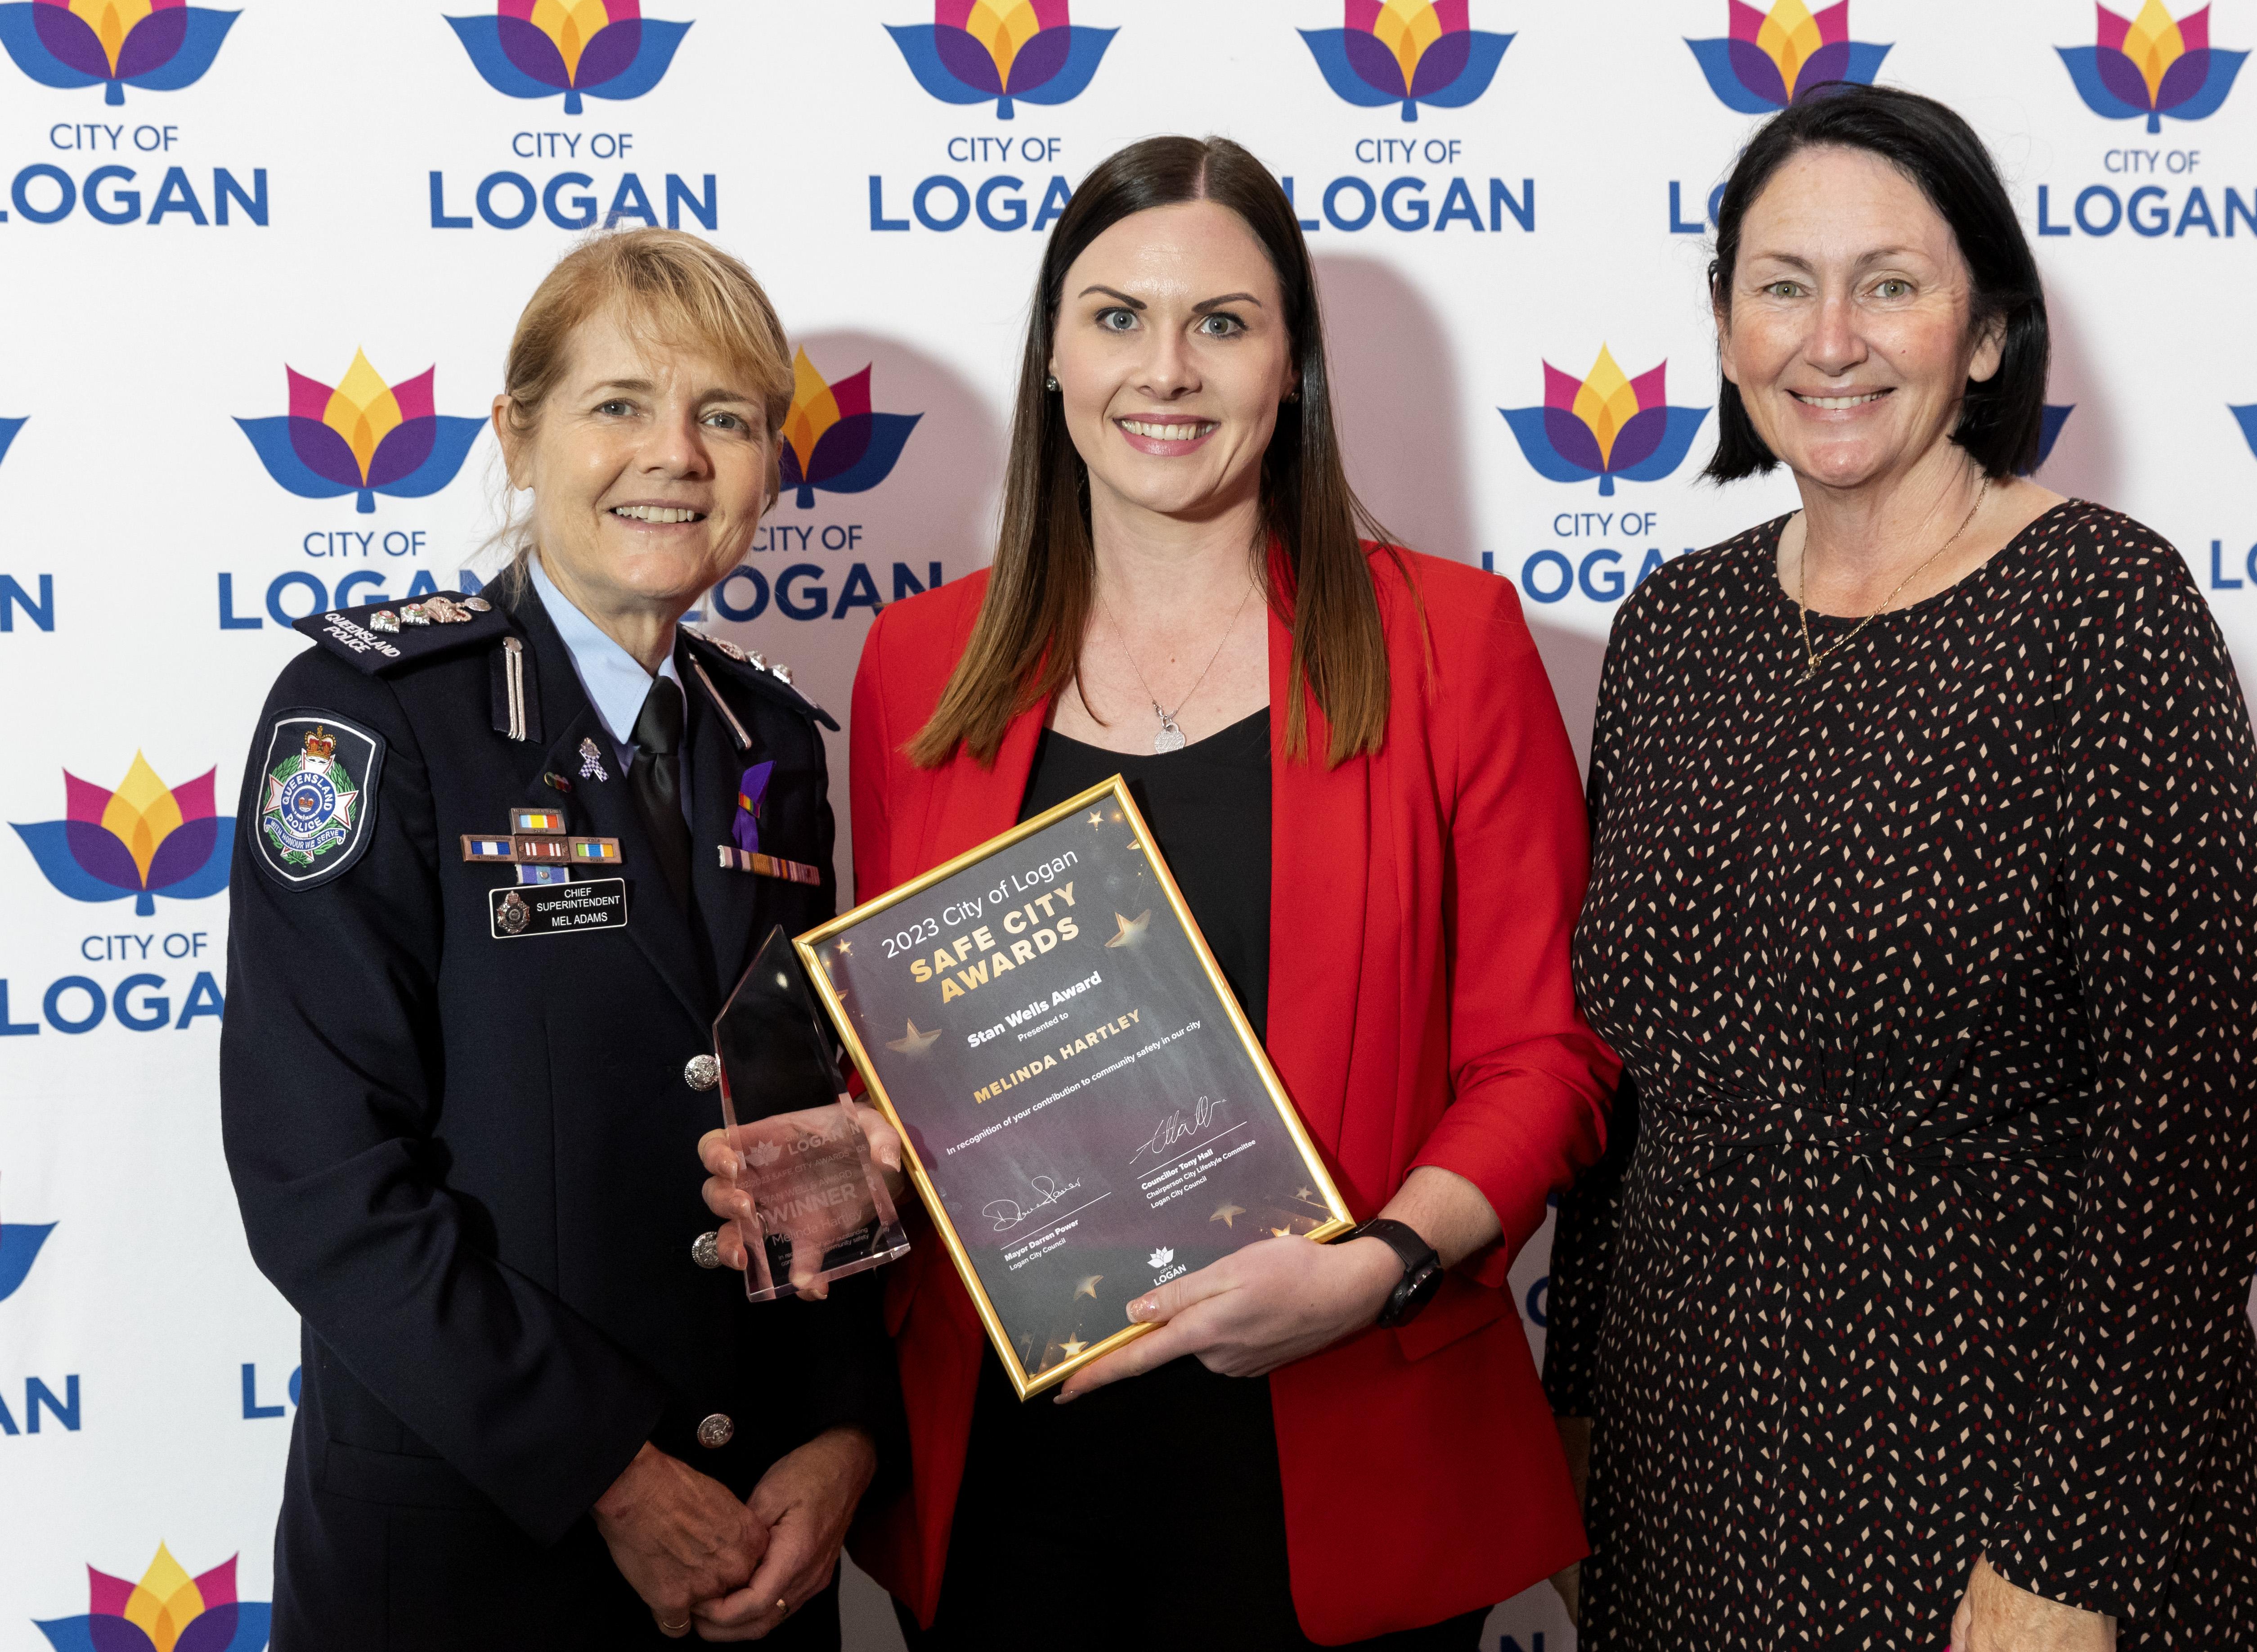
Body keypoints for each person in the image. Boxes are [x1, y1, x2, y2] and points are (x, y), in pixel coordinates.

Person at [694, 135, 1616, 1650]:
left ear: (1291, 367)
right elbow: (918, 1054)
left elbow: (1545, 1061)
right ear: (1052, 356)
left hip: (1338, 1448)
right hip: (1013, 1468)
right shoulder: (924, 662)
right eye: (1116, 317)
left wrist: (1371, 1271)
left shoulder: (1449, 642)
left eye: (1223, 323)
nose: (1165, 371)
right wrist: (854, 1144)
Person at [1544, 85, 2257, 1652]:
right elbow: (1634, 1097)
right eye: (1781, 284)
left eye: (1889, 284)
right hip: (1690, 1474)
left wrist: (2071, 1551)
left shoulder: (2102, 610)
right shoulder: (1676, 635)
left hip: (2001, 1475)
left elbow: (2196, 1119)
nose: (1832, 338)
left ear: (1987, 335)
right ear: (1727, 327)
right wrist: (1579, 1421)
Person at [221, 229, 902, 1648]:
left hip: (752, 1542)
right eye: (618, 406)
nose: (677, 456)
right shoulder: (373, 718)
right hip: (474, 1539)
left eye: (725, 417)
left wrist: (840, 1431)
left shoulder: (772, 742)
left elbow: (811, 1131)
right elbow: (321, 1179)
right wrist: (606, 1471)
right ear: (516, 437)